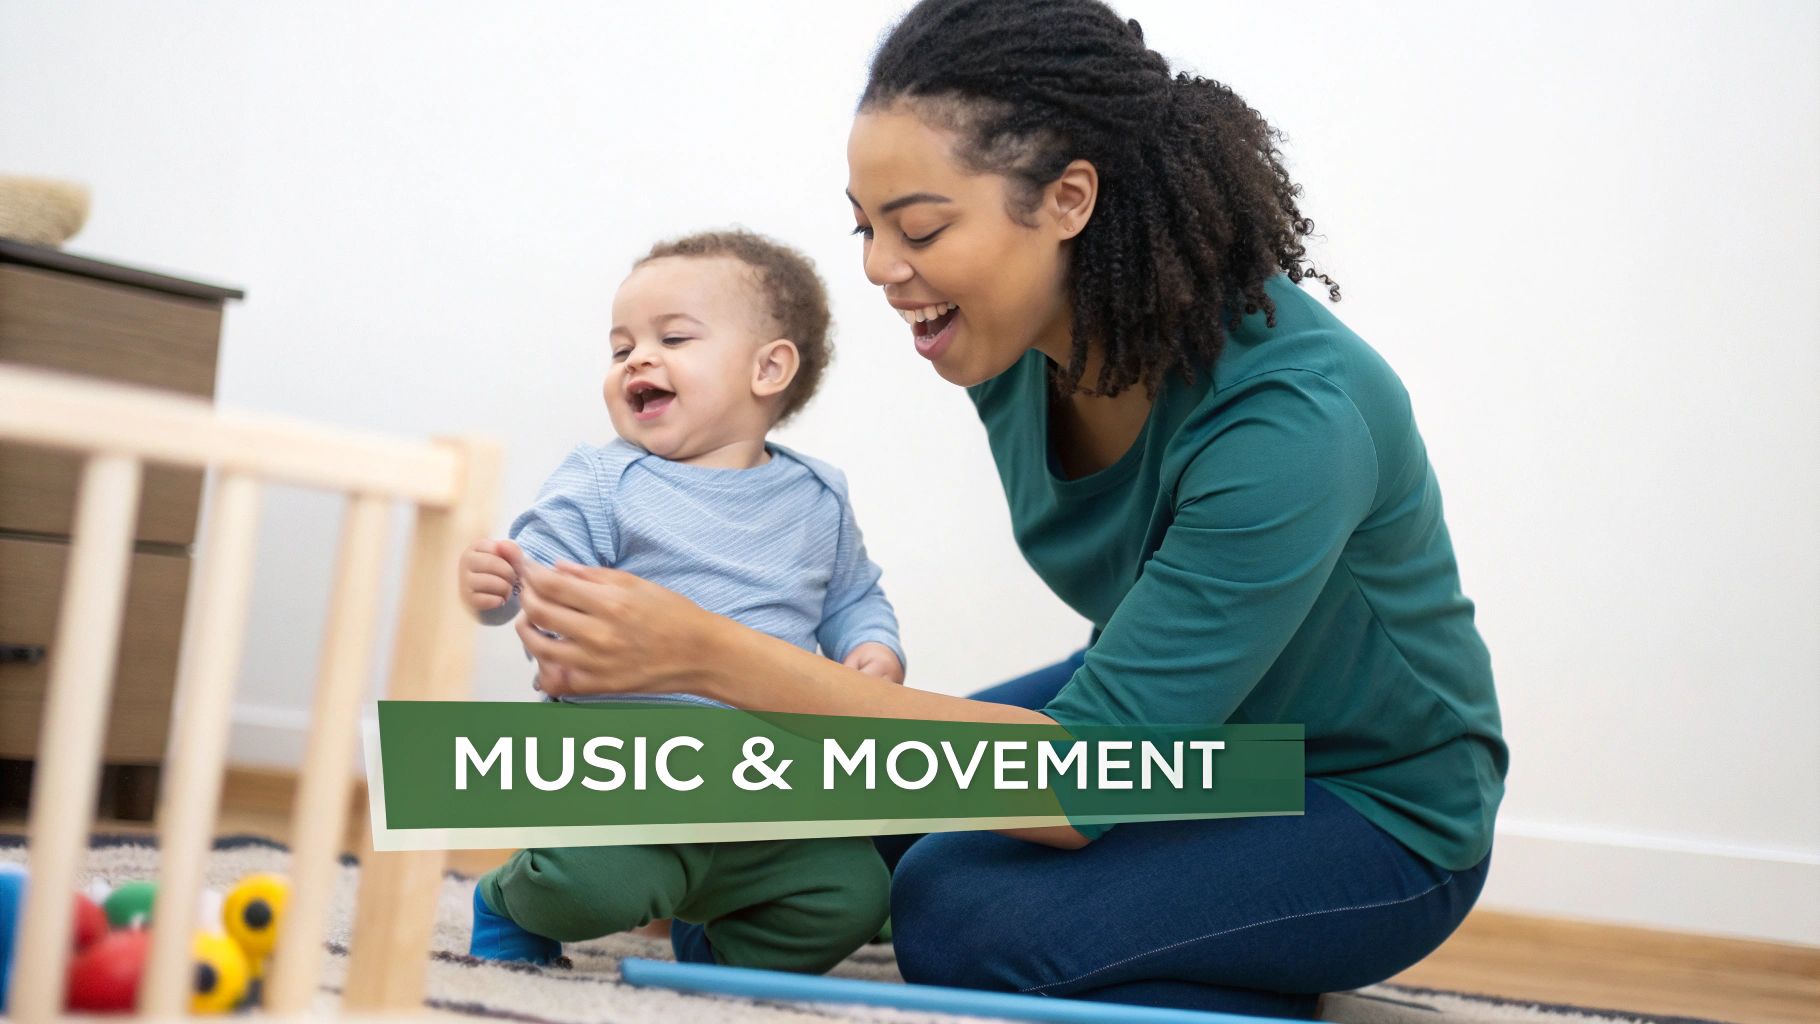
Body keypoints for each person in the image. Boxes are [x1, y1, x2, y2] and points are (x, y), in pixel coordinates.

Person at [502, 0, 1508, 1016]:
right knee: (822, 805)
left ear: (1068, 200)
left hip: (1360, 796)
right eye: (866, 226)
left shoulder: (1293, 422)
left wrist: (706, 651)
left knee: (956, 910)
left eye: (922, 227)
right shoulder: (1011, 345)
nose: (879, 269)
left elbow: (1077, 786)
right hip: (1171, 729)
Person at [459, 229, 904, 974]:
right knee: (585, 888)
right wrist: (498, 588)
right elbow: (534, 570)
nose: (637, 358)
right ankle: (507, 899)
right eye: (620, 346)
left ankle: (718, 946)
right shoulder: (604, 483)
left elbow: (855, 593)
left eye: (672, 337)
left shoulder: (817, 497)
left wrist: (874, 647)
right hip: (627, 784)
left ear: (769, 367)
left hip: (770, 792)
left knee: (851, 894)